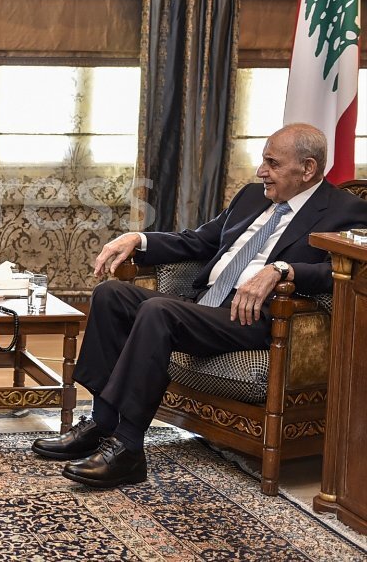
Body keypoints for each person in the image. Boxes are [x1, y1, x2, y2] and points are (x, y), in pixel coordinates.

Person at [32, 123, 367, 488]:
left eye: (272, 163)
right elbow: (198, 242)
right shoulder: (253, 197)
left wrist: (283, 269)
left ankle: (127, 448)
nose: (261, 171)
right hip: (204, 305)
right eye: (262, 161)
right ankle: (102, 422)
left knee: (158, 311)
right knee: (112, 295)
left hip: (251, 317)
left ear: (307, 169)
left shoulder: (346, 211)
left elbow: (346, 271)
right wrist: (138, 238)